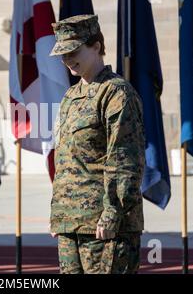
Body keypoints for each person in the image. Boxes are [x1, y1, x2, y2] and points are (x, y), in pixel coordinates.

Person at [49, 14, 145, 274]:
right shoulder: (71, 96)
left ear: (97, 46)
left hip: (105, 227)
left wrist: (113, 212)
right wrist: (60, 215)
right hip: (71, 223)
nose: (67, 60)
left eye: (73, 52)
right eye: (63, 55)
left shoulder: (116, 93)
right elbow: (66, 159)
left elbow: (125, 159)